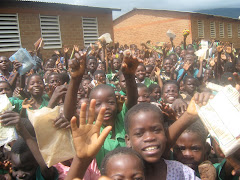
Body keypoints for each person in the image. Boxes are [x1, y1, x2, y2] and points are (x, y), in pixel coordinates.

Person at [64, 50, 140, 167]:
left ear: (118, 103)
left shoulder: (123, 119)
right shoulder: (89, 128)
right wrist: (75, 80)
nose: (105, 108)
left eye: (110, 102)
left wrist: (129, 76)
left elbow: (132, 99)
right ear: (90, 108)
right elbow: (69, 116)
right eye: (98, 104)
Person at [124, 92, 213, 180]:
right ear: (128, 140)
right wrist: (188, 116)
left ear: (164, 131)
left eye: (156, 130)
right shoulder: (119, 173)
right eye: (139, 134)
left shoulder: (181, 172)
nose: (149, 137)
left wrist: (190, 115)